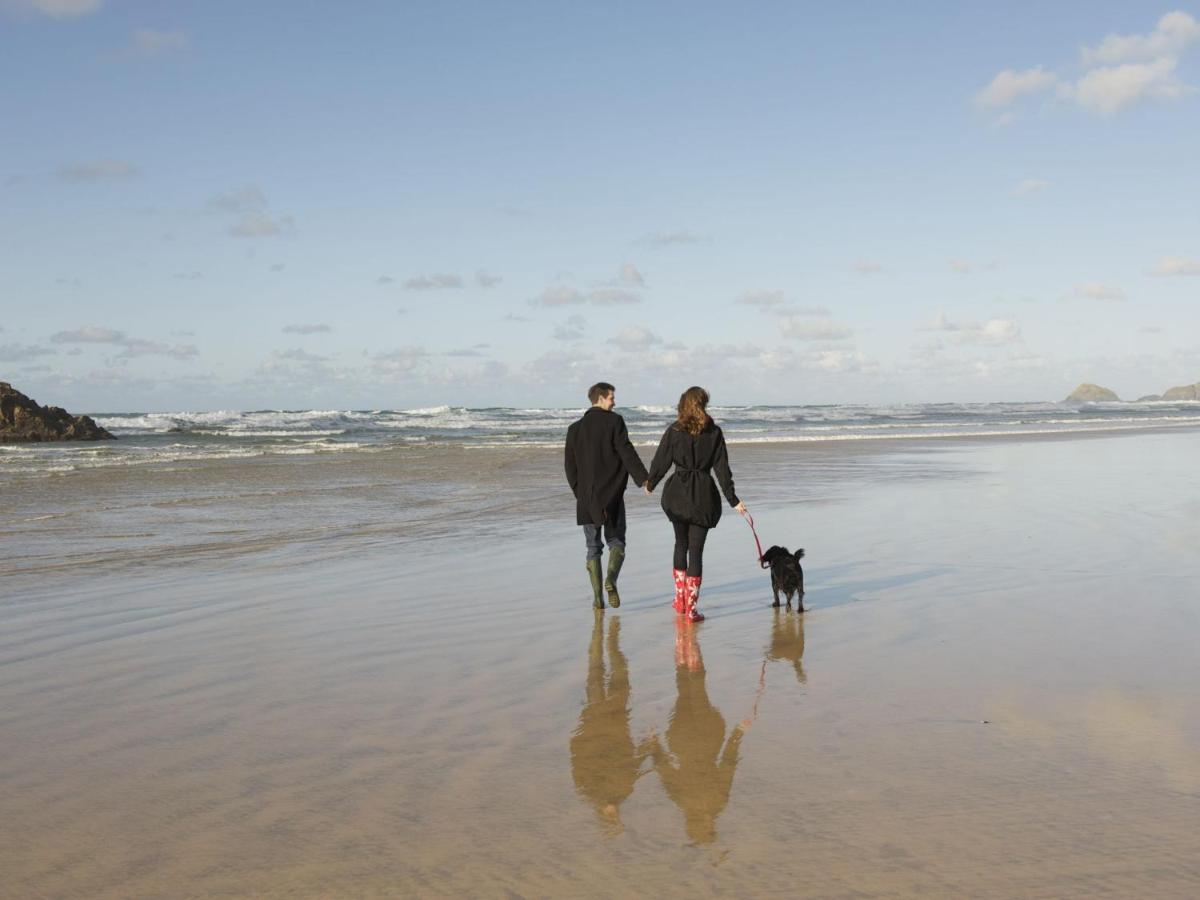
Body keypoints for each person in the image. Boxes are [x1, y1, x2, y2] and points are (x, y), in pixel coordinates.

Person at [646, 386, 746, 622]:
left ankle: (679, 601)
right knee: (696, 552)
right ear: (703, 405)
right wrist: (733, 500)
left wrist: (651, 483)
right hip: (703, 495)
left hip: (677, 493)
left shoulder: (674, 430)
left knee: (680, 544)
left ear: (683, 404)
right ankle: (691, 609)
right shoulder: (714, 432)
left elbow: (661, 460)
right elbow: (722, 470)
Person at [564, 382, 650, 609]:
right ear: (600, 398)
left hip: (586, 498)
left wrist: (579, 493)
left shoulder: (574, 429)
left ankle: (597, 598)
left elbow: (570, 467)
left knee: (592, 547)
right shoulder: (615, 422)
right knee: (616, 540)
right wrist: (643, 479)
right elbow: (626, 451)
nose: (614, 401)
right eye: (612, 397)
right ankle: (611, 580)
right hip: (611, 495)